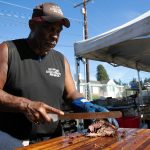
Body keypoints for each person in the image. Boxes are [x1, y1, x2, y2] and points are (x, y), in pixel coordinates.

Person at [0, 2, 118, 149]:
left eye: (58, 30)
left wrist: (87, 105)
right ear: (32, 25)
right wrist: (25, 105)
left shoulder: (61, 59)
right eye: (48, 28)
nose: (54, 35)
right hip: (15, 140)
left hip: (54, 139)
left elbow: (71, 94)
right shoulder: (8, 50)